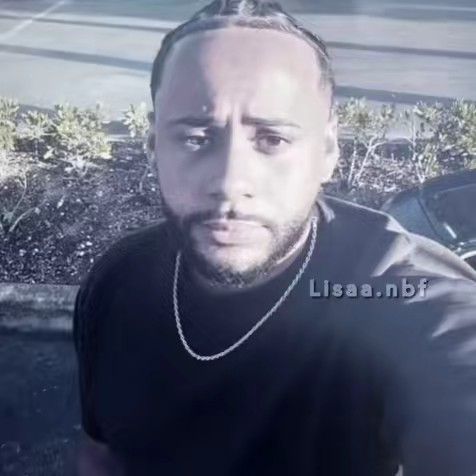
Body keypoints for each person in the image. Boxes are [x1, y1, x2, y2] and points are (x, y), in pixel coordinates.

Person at [73, 1, 476, 475]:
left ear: (327, 152)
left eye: (272, 139)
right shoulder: (118, 280)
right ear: (153, 147)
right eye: (196, 137)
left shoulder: (386, 292)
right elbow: (102, 454)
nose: (230, 181)